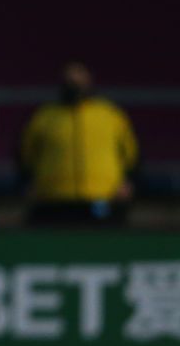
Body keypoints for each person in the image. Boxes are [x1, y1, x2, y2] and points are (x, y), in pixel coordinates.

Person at [20, 62, 138, 226]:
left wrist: (129, 182)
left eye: (79, 79)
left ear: (89, 81)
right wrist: (27, 184)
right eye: (69, 80)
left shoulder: (109, 115)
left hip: (103, 198)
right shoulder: (45, 117)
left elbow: (132, 154)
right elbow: (24, 155)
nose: (74, 85)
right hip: (54, 200)